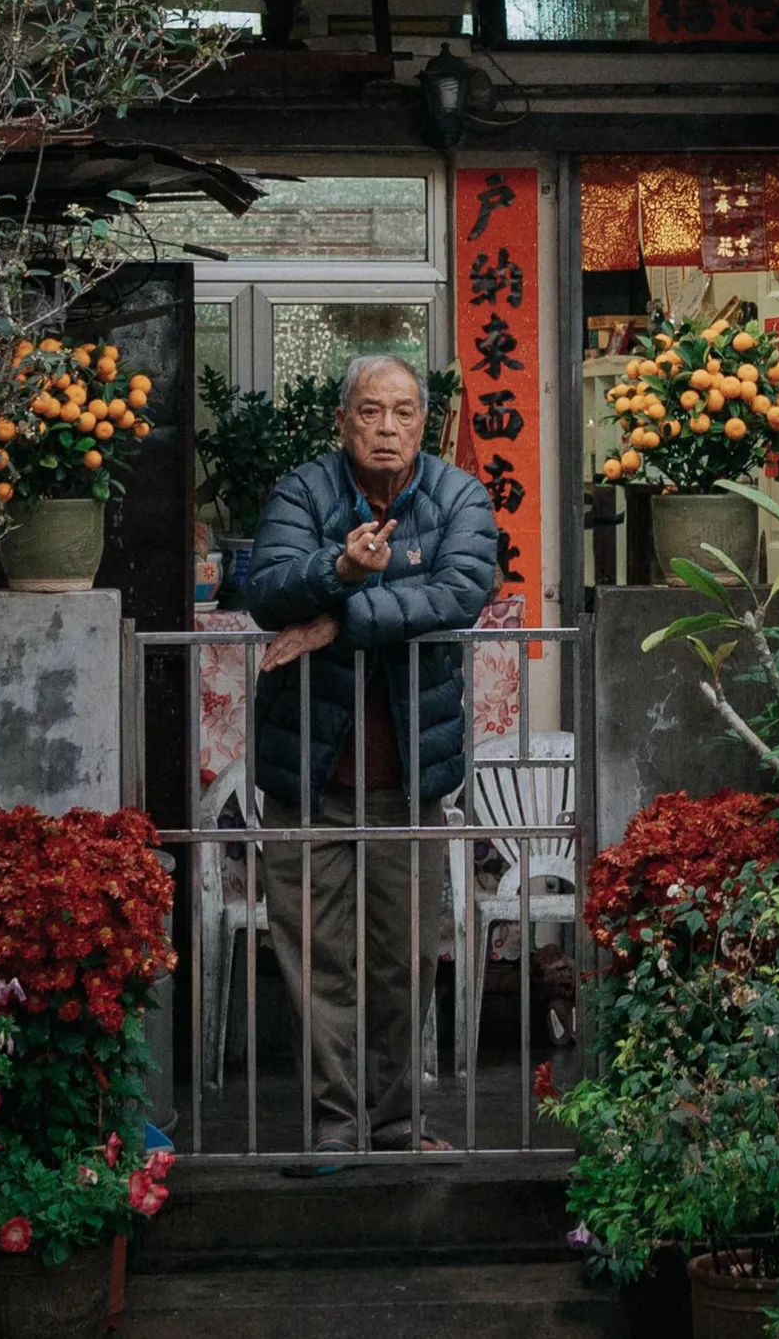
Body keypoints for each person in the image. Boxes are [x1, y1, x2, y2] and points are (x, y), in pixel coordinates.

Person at [246, 354, 498, 1171]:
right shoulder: (303, 492)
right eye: (368, 412)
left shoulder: (458, 496)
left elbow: (461, 589)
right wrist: (341, 570)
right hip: (308, 778)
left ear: (425, 423)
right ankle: (334, 1125)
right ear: (342, 421)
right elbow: (268, 586)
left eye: (402, 412)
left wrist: (338, 621)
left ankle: (394, 1121)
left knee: (405, 956)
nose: (386, 428)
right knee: (316, 957)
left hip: (411, 777)